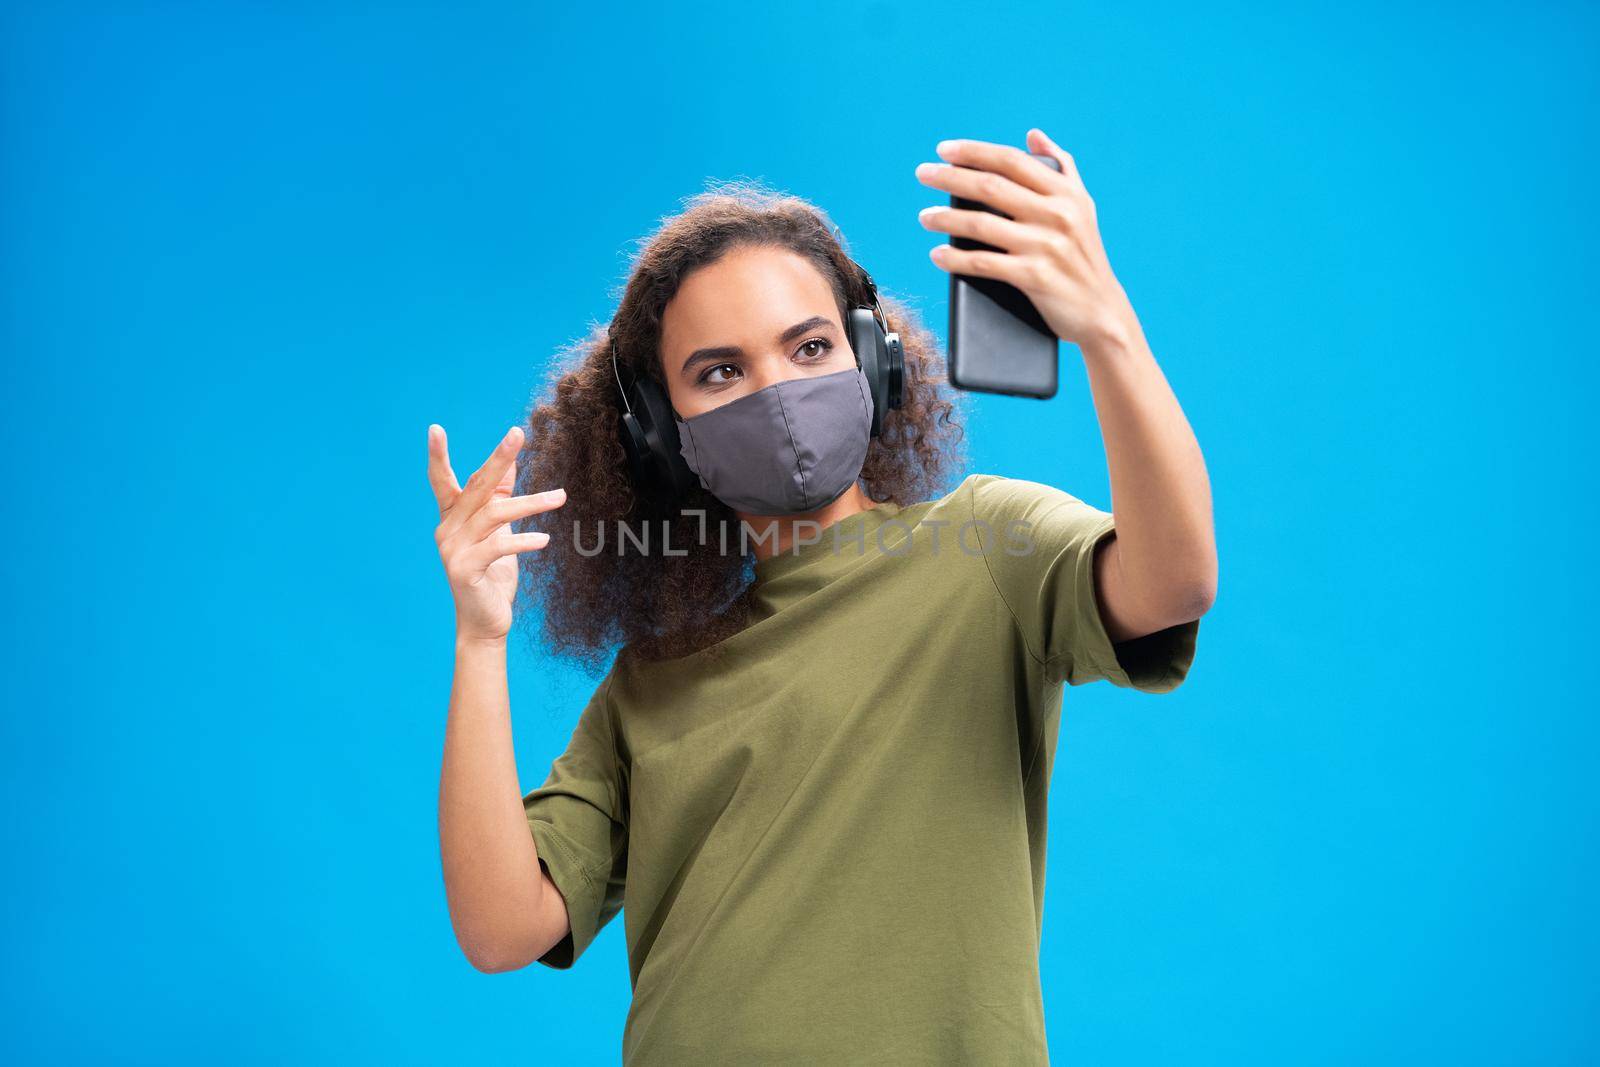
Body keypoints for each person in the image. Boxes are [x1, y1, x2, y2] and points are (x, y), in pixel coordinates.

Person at [429, 129, 1216, 1064]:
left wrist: (1106, 328)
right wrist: (478, 638)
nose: (775, 389)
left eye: (808, 346)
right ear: (657, 434)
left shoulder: (988, 551)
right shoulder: (653, 680)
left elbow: (1175, 581)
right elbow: (501, 928)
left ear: (872, 361)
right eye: (719, 372)